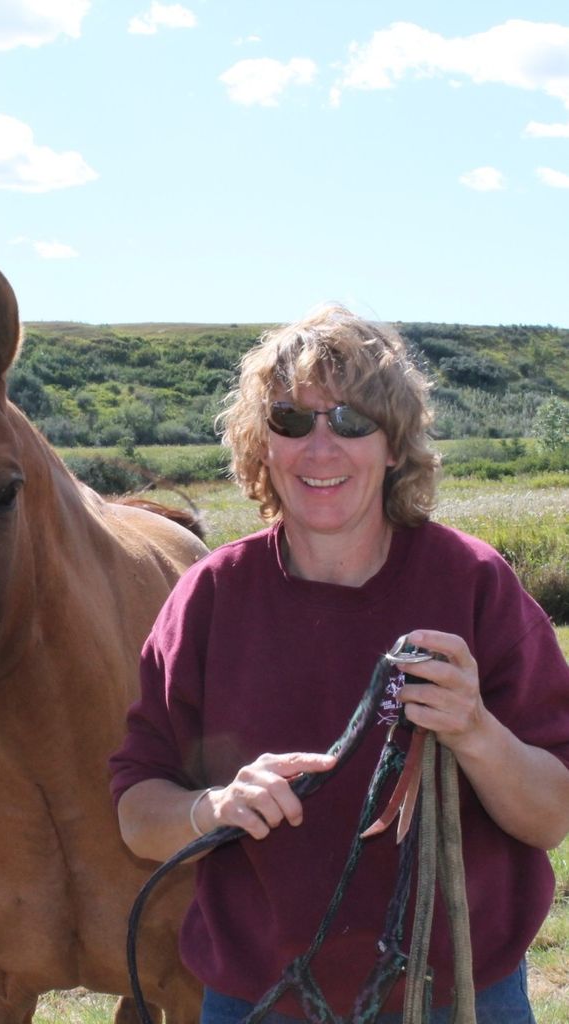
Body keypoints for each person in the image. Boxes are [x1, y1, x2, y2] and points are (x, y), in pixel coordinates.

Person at [109, 305, 569, 1024]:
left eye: (352, 421)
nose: (320, 448)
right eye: (292, 420)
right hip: (259, 1000)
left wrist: (475, 731)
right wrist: (214, 808)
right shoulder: (211, 597)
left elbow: (551, 816)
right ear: (262, 446)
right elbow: (138, 813)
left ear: (393, 446)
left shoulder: (472, 583)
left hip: (456, 995)